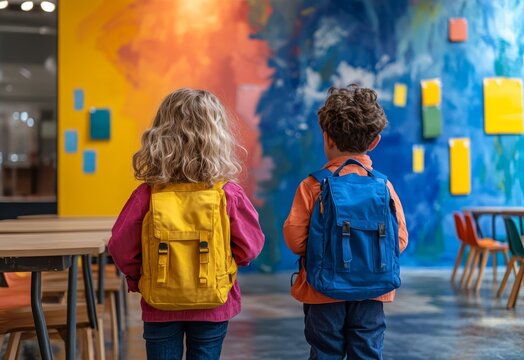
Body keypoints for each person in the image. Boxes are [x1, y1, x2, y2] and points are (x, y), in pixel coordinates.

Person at [108, 88, 265, 360]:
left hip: (159, 301)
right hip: (213, 301)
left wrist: (139, 277)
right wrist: (224, 262)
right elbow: (250, 247)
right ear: (217, 137)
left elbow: (120, 247)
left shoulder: (147, 194)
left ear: (161, 136)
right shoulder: (227, 193)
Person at [283, 84, 408, 360]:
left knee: (325, 351)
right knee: (367, 351)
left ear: (327, 138)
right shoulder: (384, 186)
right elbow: (399, 239)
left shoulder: (313, 185)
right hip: (373, 292)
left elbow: (295, 240)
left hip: (323, 290)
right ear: (374, 142)